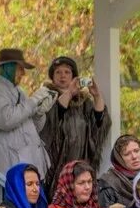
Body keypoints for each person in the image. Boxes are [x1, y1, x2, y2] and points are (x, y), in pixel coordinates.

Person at [40, 56, 110, 193]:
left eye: (67, 72)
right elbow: (51, 122)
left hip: (81, 163)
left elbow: (99, 123)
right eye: (58, 72)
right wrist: (69, 93)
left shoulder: (83, 103)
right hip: (56, 167)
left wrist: (96, 96)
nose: (62, 76)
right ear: (52, 76)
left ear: (74, 77)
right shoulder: (45, 98)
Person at [0, 48, 53, 177]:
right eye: (20, 68)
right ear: (8, 67)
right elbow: (7, 120)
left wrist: (39, 113)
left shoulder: (20, 91)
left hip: (31, 167)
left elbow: (35, 127)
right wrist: (34, 100)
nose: (23, 73)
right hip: (14, 166)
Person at [98, 134, 140, 208]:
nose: (134, 157)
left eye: (136, 151)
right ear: (119, 158)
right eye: (127, 154)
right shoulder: (109, 183)